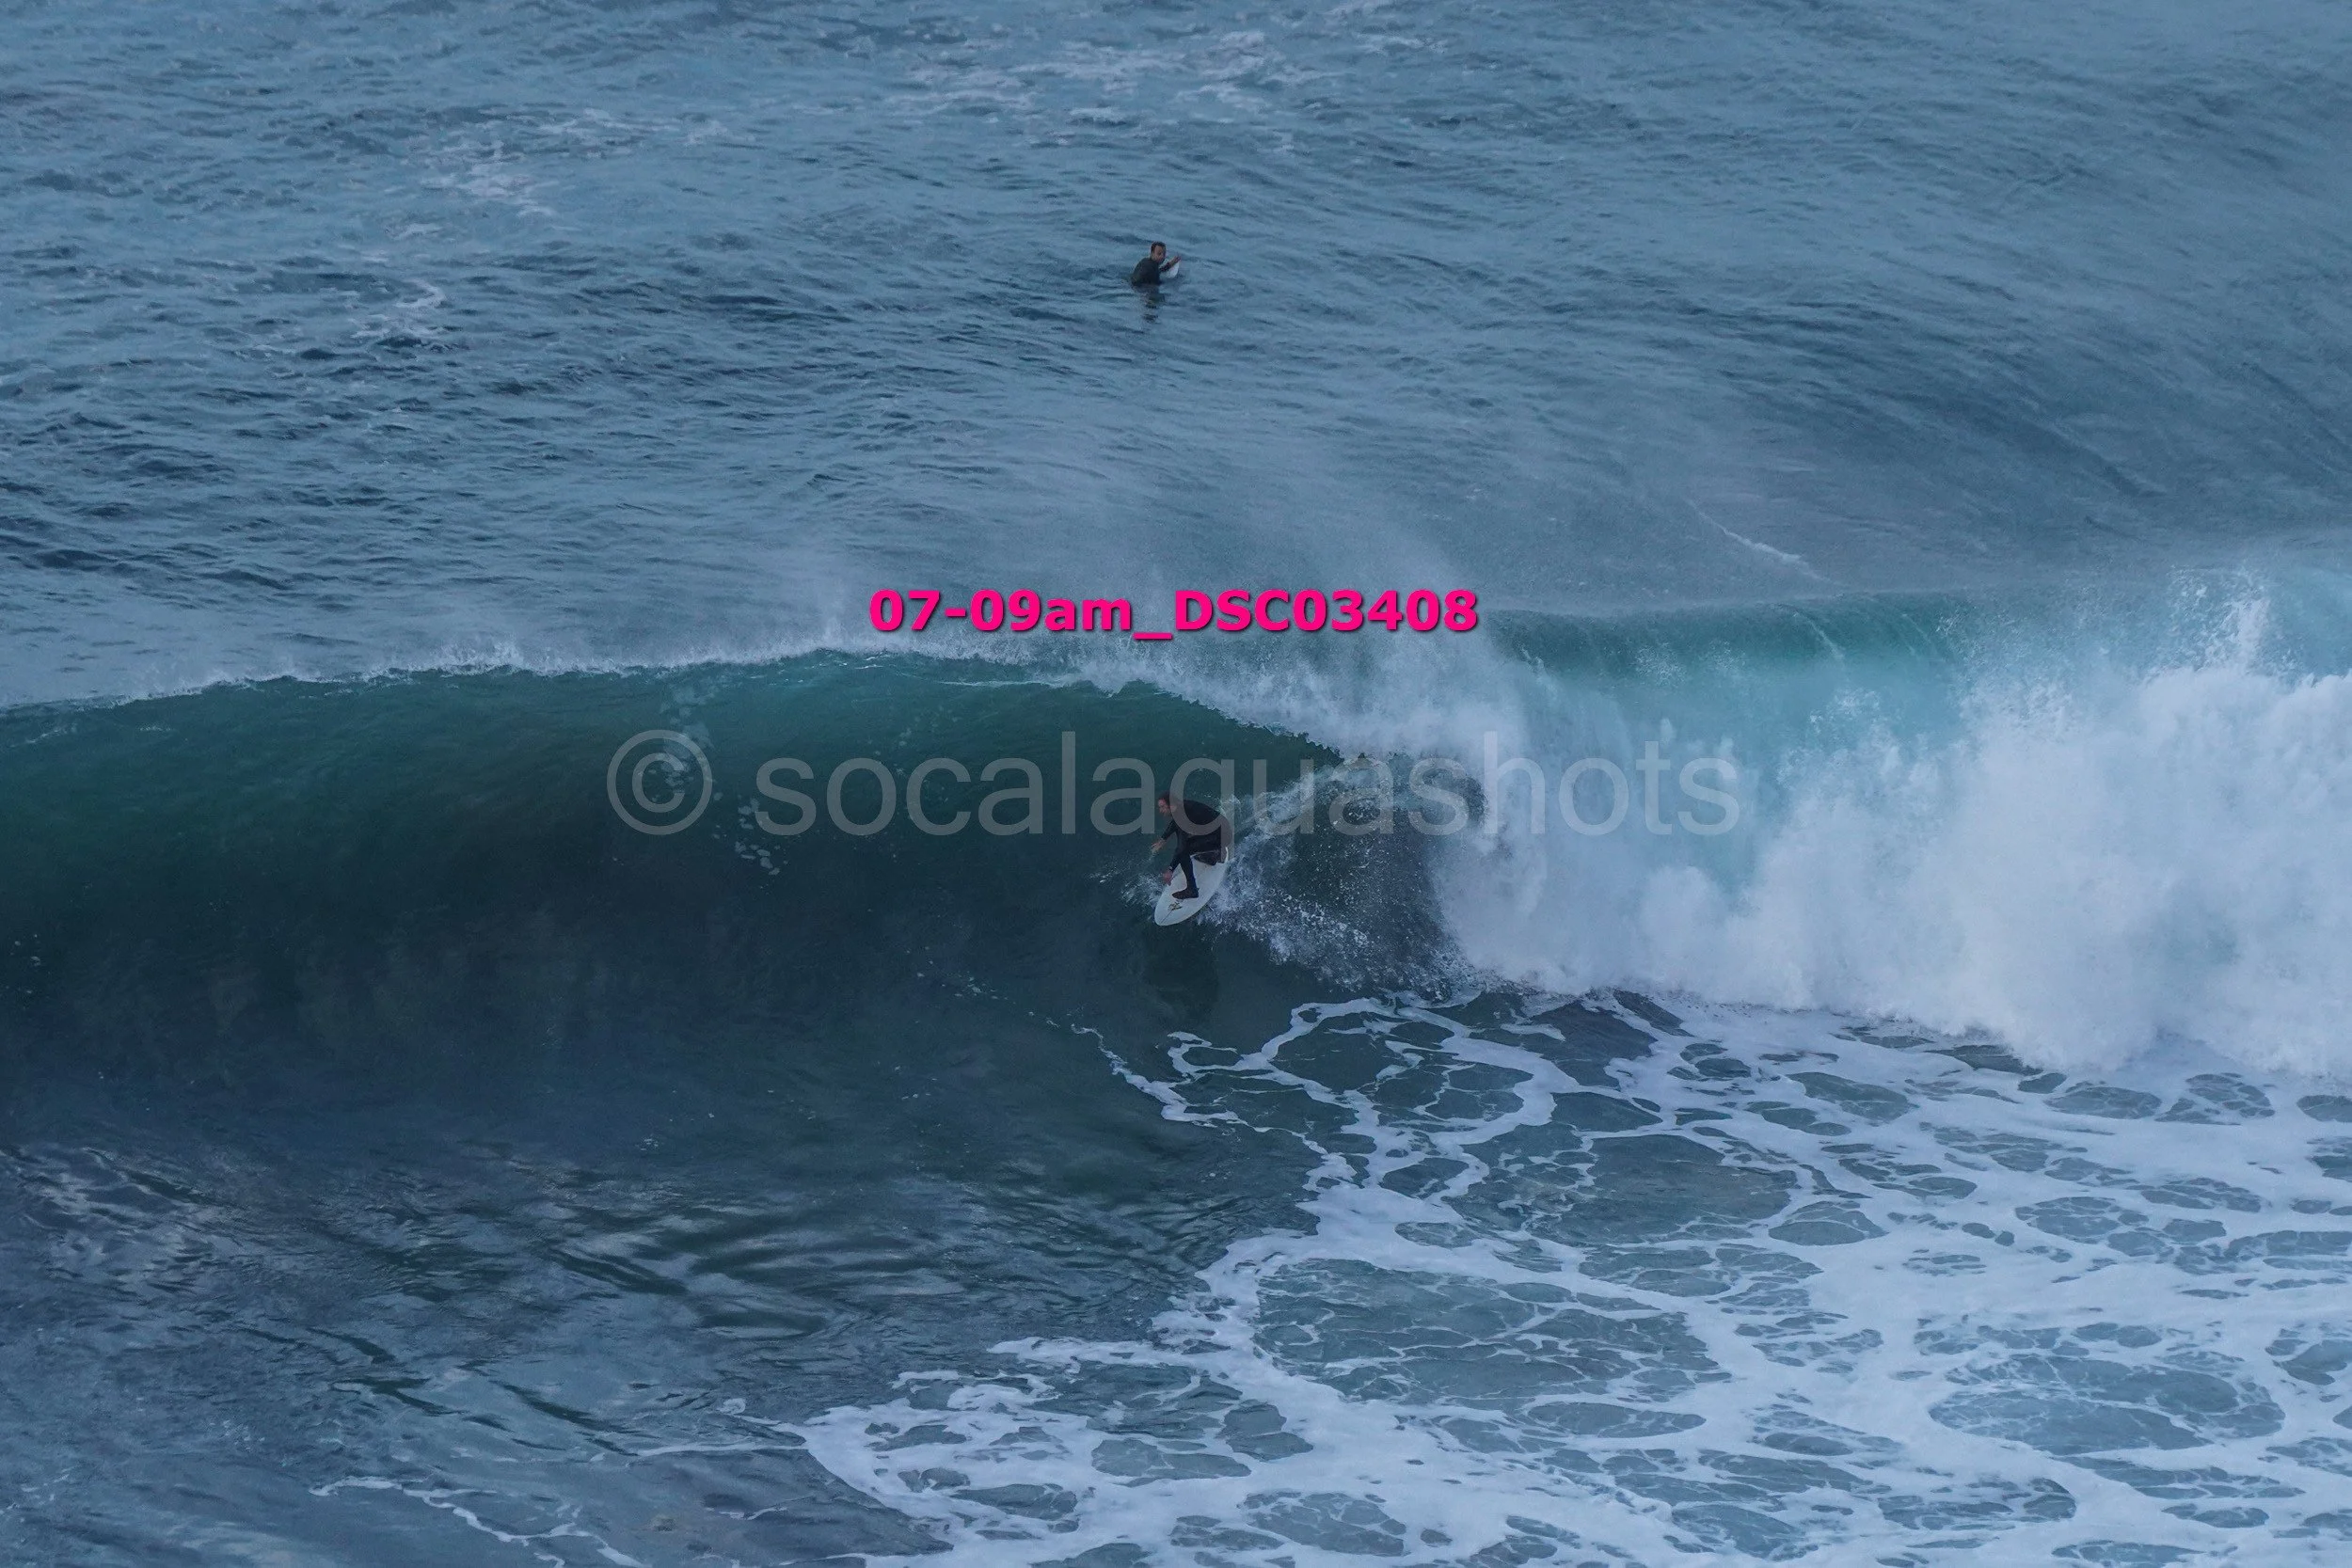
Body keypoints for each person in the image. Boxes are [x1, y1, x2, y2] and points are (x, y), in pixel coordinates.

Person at [1152, 793, 1232, 901]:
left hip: (1222, 836)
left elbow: (1181, 848)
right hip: (1222, 829)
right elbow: (1175, 822)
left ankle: (1192, 889)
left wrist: (1170, 870)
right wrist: (1163, 839)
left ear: (1171, 806)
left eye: (1162, 807)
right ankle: (1213, 855)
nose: (1160, 811)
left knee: (1184, 851)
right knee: (1192, 840)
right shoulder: (1182, 807)